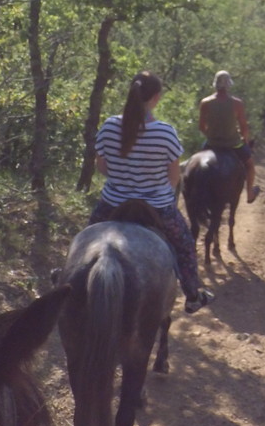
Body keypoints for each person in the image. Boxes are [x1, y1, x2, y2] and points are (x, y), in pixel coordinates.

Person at [90, 71, 214, 311]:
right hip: (156, 206)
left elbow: (101, 166)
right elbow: (174, 177)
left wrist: (123, 179)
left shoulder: (109, 126)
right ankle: (192, 295)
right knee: (185, 246)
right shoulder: (165, 133)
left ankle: (63, 278)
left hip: (112, 202)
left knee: (84, 240)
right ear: (156, 97)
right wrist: (155, 189)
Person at [198, 69, 259, 204]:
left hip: (212, 144)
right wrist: (245, 140)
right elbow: (244, 127)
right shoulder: (237, 103)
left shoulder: (205, 102)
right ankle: (249, 193)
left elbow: (201, 127)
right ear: (229, 85)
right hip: (234, 143)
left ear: (215, 84)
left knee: (196, 163)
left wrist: (212, 135)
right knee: (249, 165)